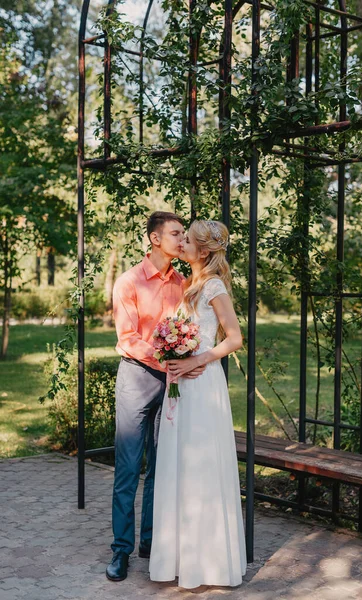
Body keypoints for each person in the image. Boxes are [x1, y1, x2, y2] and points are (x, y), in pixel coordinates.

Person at [106, 211, 205, 582]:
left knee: (162, 467)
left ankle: (150, 542)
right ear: (155, 239)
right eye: (177, 234)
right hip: (137, 378)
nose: (182, 240)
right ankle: (121, 551)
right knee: (129, 469)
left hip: (172, 382)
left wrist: (183, 361)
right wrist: (167, 360)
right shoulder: (129, 282)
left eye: (184, 235)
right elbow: (127, 339)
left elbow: (191, 329)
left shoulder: (184, 282)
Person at [149, 220, 247, 590]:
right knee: (180, 465)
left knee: (202, 466)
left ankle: (209, 564)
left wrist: (195, 360)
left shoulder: (214, 286)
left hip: (203, 384)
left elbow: (234, 338)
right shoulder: (188, 284)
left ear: (203, 251)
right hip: (184, 386)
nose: (183, 243)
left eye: (187, 240)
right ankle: (180, 558)